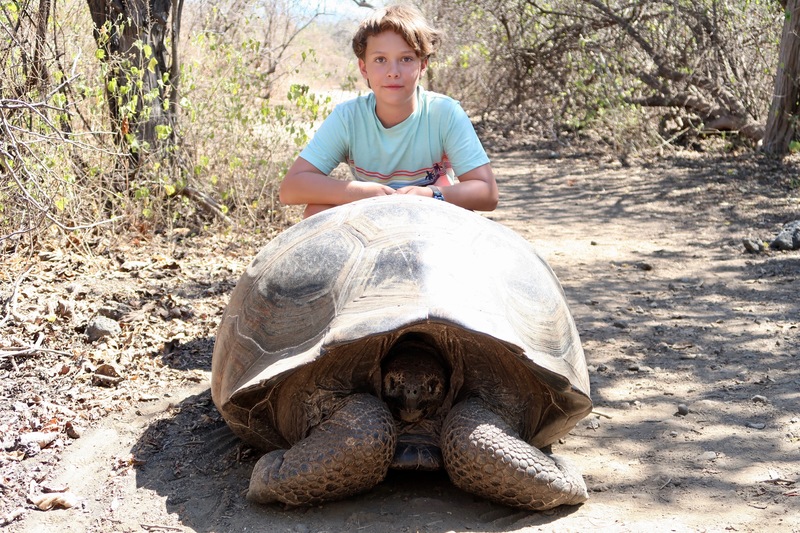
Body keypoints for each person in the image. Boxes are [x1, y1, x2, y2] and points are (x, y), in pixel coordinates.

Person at [279, 3, 498, 218]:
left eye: (406, 59)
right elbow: (290, 189)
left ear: (423, 65)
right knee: (315, 211)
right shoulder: (348, 118)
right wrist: (361, 192)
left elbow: (487, 193)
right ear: (363, 67)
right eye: (380, 60)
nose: (393, 72)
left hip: (431, 217)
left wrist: (432, 194)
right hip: (369, 218)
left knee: (464, 213)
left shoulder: (444, 113)